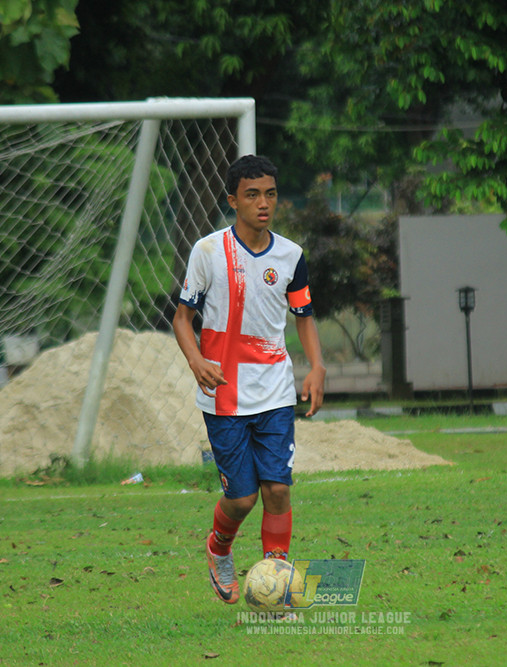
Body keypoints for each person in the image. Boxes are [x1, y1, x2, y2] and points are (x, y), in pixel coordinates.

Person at [172, 154, 326, 605]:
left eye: (271, 194)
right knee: (241, 500)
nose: (264, 203)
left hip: (275, 391)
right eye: (253, 195)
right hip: (224, 394)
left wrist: (316, 366)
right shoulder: (207, 251)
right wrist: (196, 361)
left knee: (277, 489)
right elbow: (182, 319)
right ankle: (218, 547)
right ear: (233, 200)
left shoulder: (292, 256)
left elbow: (304, 316)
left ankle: (273, 593)